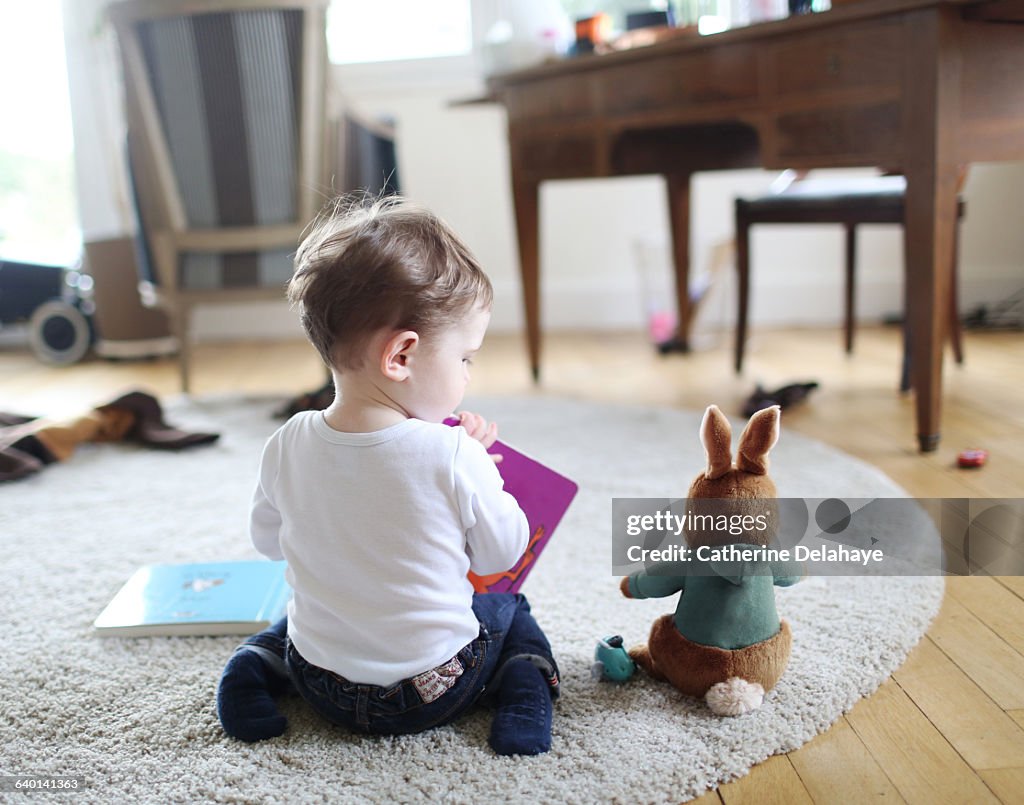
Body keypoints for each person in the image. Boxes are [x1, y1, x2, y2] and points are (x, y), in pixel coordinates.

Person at [216, 196, 559, 756]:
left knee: (302, 608)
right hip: (432, 692)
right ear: (401, 356)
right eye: (466, 358)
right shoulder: (453, 454)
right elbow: (500, 557)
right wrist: (480, 475)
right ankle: (525, 687)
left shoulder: (286, 441)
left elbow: (266, 543)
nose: (468, 375)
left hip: (320, 684)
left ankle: (253, 668)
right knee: (509, 612)